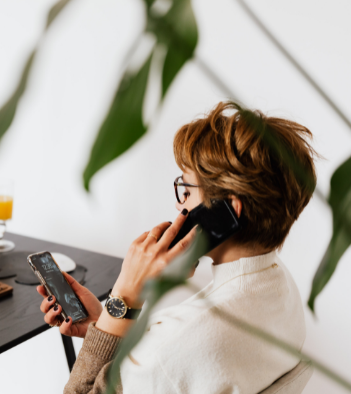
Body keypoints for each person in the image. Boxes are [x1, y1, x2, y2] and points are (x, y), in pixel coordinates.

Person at [37, 101, 317, 393]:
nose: (179, 203)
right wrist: (108, 322)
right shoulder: (281, 288)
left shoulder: (171, 350)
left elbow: (168, 360)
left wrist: (124, 294)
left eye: (186, 189)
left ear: (229, 211)